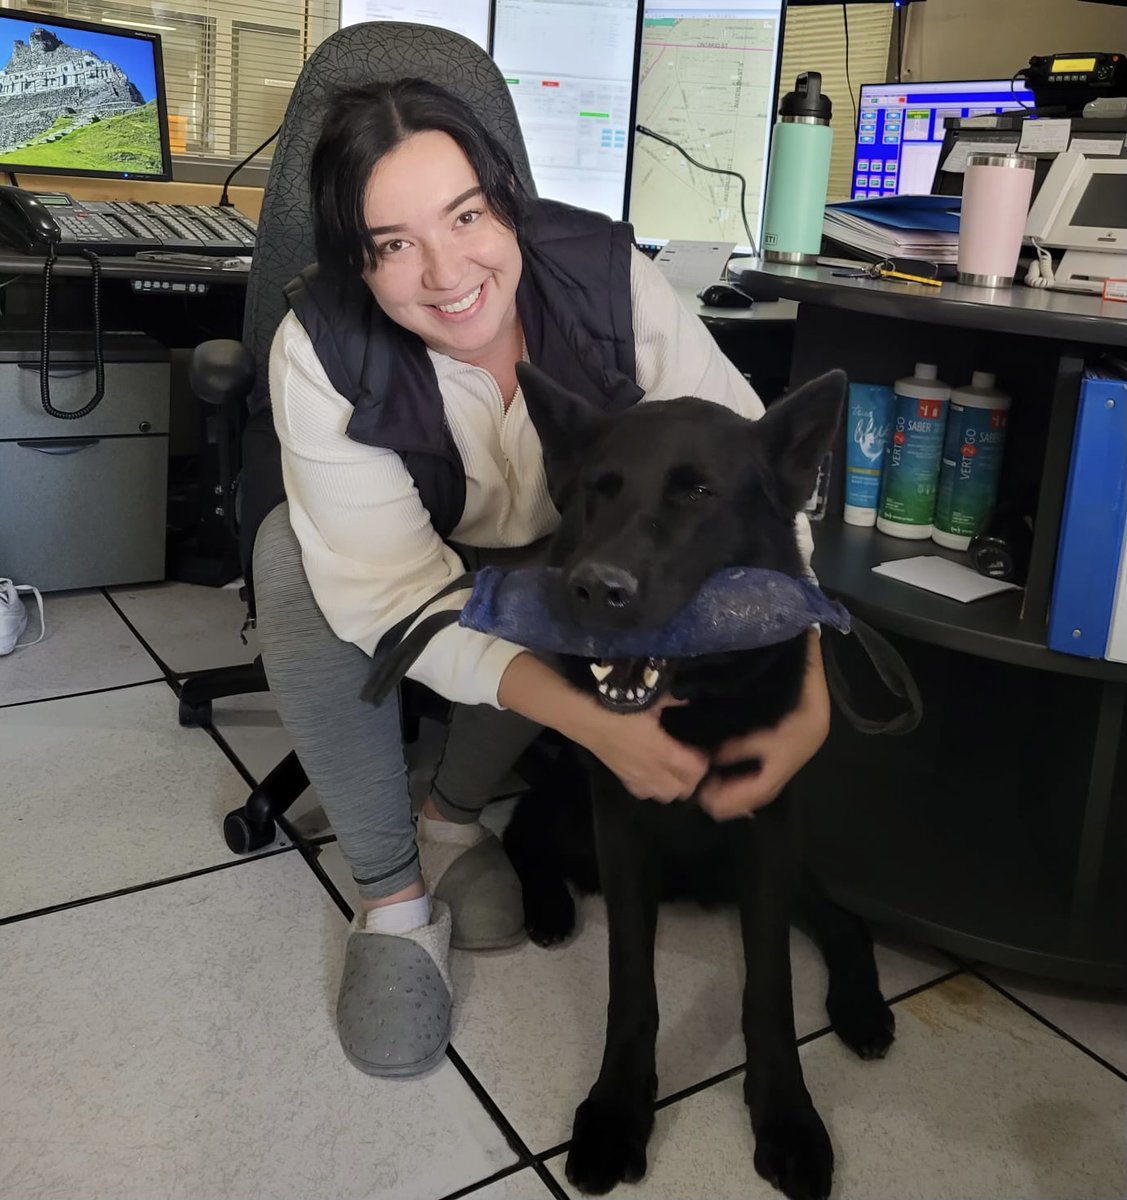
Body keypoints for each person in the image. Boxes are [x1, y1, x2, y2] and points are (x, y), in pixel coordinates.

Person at [264, 77, 830, 1077]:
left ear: (507, 200)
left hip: (562, 553)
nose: (446, 273)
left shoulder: (611, 280)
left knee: (569, 564)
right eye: (393, 244)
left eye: (467, 216)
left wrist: (808, 697)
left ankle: (452, 819)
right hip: (411, 555)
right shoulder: (321, 348)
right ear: (359, 259)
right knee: (288, 564)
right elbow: (395, 592)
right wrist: (595, 725)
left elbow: (759, 493)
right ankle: (394, 898)